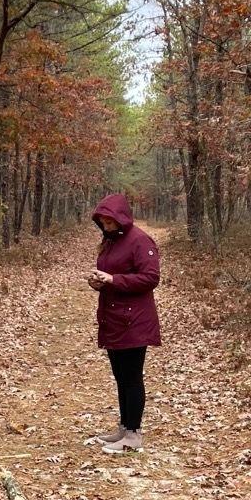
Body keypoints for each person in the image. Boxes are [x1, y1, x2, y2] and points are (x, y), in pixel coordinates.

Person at [87, 193, 161, 454]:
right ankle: (124, 427)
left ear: (121, 218)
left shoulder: (140, 240)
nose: (106, 227)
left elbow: (151, 277)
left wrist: (114, 280)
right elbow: (111, 274)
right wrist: (99, 281)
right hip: (114, 317)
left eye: (110, 222)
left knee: (132, 377)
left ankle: (134, 434)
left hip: (135, 320)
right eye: (103, 223)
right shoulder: (110, 241)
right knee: (120, 376)